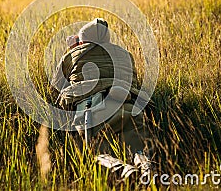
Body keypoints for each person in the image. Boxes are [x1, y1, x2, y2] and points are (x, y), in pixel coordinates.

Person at [52, 18, 150, 156]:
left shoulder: (72, 54)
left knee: (96, 152)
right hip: (127, 103)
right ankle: (144, 166)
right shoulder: (126, 54)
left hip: (91, 107)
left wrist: (72, 49)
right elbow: (135, 82)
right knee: (139, 150)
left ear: (82, 41)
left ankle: (122, 170)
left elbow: (56, 85)